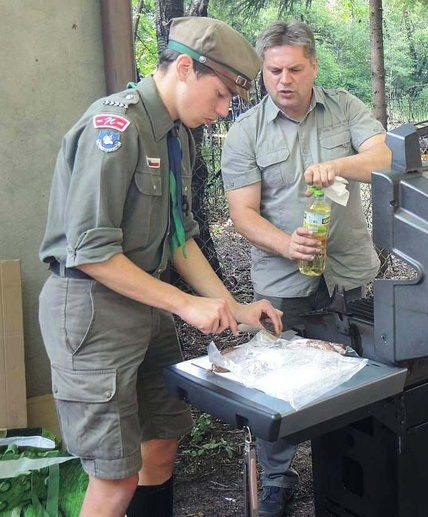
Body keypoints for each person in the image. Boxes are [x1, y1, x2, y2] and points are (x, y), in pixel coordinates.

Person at [38, 17, 283, 517]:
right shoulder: (116, 127)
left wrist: (233, 309)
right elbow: (91, 250)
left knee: (161, 445)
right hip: (91, 310)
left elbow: (179, 237)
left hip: (146, 305)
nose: (221, 112)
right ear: (186, 68)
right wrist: (186, 304)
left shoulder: (175, 135)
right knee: (114, 477)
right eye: (219, 96)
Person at [220, 20, 391, 517]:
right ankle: (277, 477)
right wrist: (286, 244)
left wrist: (339, 166)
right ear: (263, 72)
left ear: (313, 65)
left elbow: (384, 157)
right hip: (282, 283)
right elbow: (242, 214)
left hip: (349, 271)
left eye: (295, 68)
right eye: (274, 70)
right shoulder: (245, 132)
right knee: (277, 379)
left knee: (358, 368)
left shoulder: (345, 107)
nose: (284, 80)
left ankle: (355, 467)